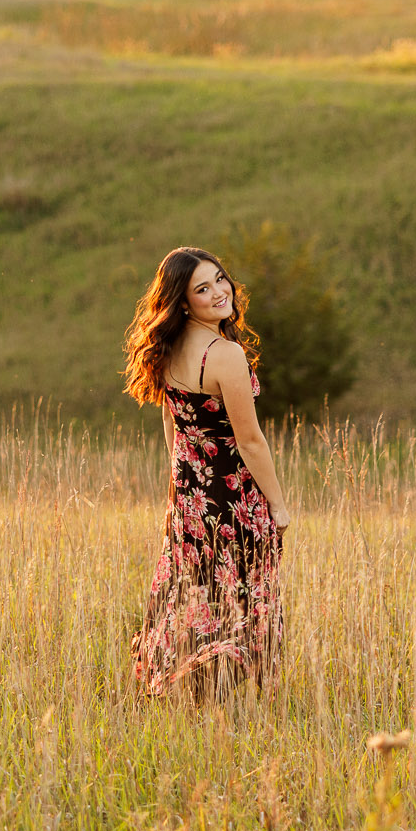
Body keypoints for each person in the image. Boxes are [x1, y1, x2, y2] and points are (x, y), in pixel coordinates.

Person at [123, 245, 290, 703]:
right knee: (241, 594)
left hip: (191, 497)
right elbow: (250, 440)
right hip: (234, 499)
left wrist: (181, 487)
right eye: (202, 288)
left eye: (220, 279)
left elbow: (172, 421)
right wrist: (278, 504)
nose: (219, 292)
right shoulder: (225, 354)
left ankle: (195, 692)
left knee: (198, 591)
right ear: (182, 302)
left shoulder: (170, 348)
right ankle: (229, 698)